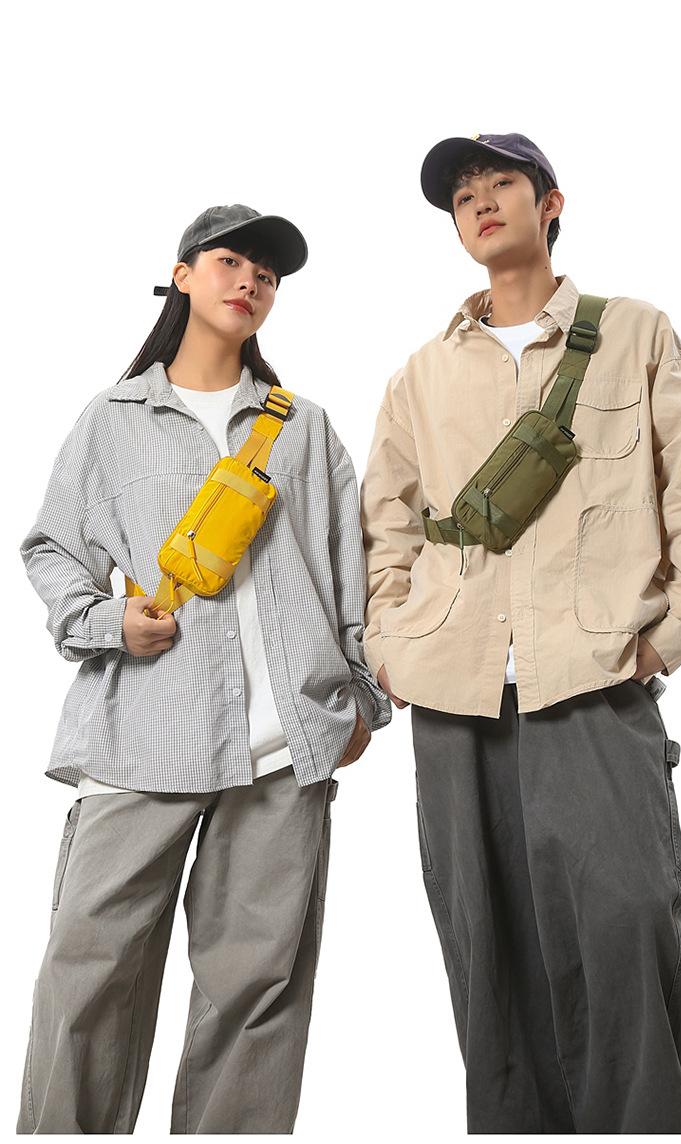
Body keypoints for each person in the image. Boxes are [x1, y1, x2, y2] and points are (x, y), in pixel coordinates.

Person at [359, 134, 681, 1133]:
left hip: (594, 678)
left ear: (551, 203)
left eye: (502, 184)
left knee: (628, 916)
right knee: (486, 944)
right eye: (463, 196)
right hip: (454, 694)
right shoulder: (419, 375)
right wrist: (390, 644)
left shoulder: (635, 332)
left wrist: (666, 638)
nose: (481, 203)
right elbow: (386, 523)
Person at [17, 202, 391, 1134]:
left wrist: (362, 701)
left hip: (284, 749)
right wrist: (104, 620)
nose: (249, 282)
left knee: (256, 994)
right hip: (144, 732)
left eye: (267, 274)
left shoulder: (304, 429)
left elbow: (351, 571)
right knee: (88, 977)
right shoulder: (113, 420)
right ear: (182, 276)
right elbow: (52, 547)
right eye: (230, 262)